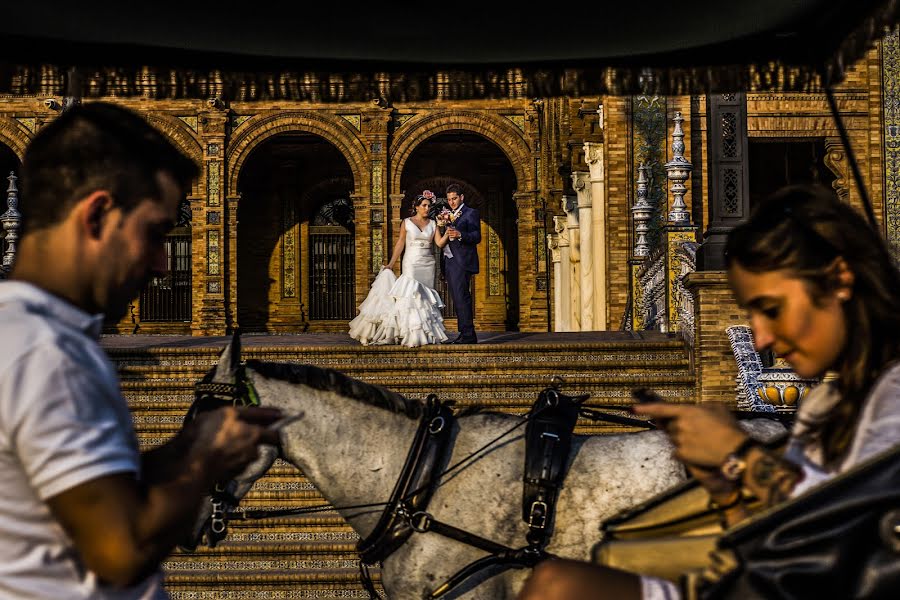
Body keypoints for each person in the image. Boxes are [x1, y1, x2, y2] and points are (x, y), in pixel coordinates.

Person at [517, 184, 900, 600]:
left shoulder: (893, 396)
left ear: (839, 280)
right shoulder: (828, 406)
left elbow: (845, 539)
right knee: (558, 583)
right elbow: (772, 550)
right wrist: (726, 487)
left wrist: (739, 456)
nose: (760, 338)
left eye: (771, 310)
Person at [0, 102, 282, 599]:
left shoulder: (20, 333)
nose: (162, 265)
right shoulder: (49, 354)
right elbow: (119, 550)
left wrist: (183, 447)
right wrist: (207, 457)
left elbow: (71, 497)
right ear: (97, 215)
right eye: (154, 234)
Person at [349, 190, 451, 347]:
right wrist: (391, 263)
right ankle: (410, 334)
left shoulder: (433, 224)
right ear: (416, 207)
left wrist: (448, 232)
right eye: (424, 205)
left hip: (428, 264)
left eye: (429, 206)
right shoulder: (407, 222)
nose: (427, 208)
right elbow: (400, 243)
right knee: (410, 298)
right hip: (411, 263)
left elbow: (439, 243)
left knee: (424, 300)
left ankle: (424, 334)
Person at [442, 183, 481, 344]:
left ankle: (468, 335)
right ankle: (464, 332)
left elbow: (476, 236)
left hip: (461, 261)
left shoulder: (470, 213)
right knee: (457, 299)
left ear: (461, 197)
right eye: (449, 199)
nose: (451, 202)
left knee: (462, 297)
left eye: (454, 198)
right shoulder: (447, 215)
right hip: (449, 261)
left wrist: (460, 234)